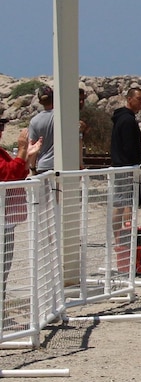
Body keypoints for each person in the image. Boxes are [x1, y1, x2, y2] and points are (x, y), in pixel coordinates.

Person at [1, 120, 41, 305]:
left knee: (4, 268)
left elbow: (17, 172)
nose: (2, 131)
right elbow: (10, 173)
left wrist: (27, 155)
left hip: (5, 219)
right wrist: (23, 150)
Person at [110, 87, 141, 243]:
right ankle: (120, 238)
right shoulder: (127, 120)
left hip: (124, 166)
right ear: (129, 99)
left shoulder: (124, 118)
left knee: (125, 202)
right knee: (122, 203)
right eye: (139, 99)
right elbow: (129, 146)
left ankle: (123, 236)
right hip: (126, 167)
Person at [27, 85, 55, 174]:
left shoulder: (34, 121)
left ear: (40, 101)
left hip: (44, 166)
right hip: (63, 164)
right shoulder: (62, 116)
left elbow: (33, 147)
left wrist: (33, 168)